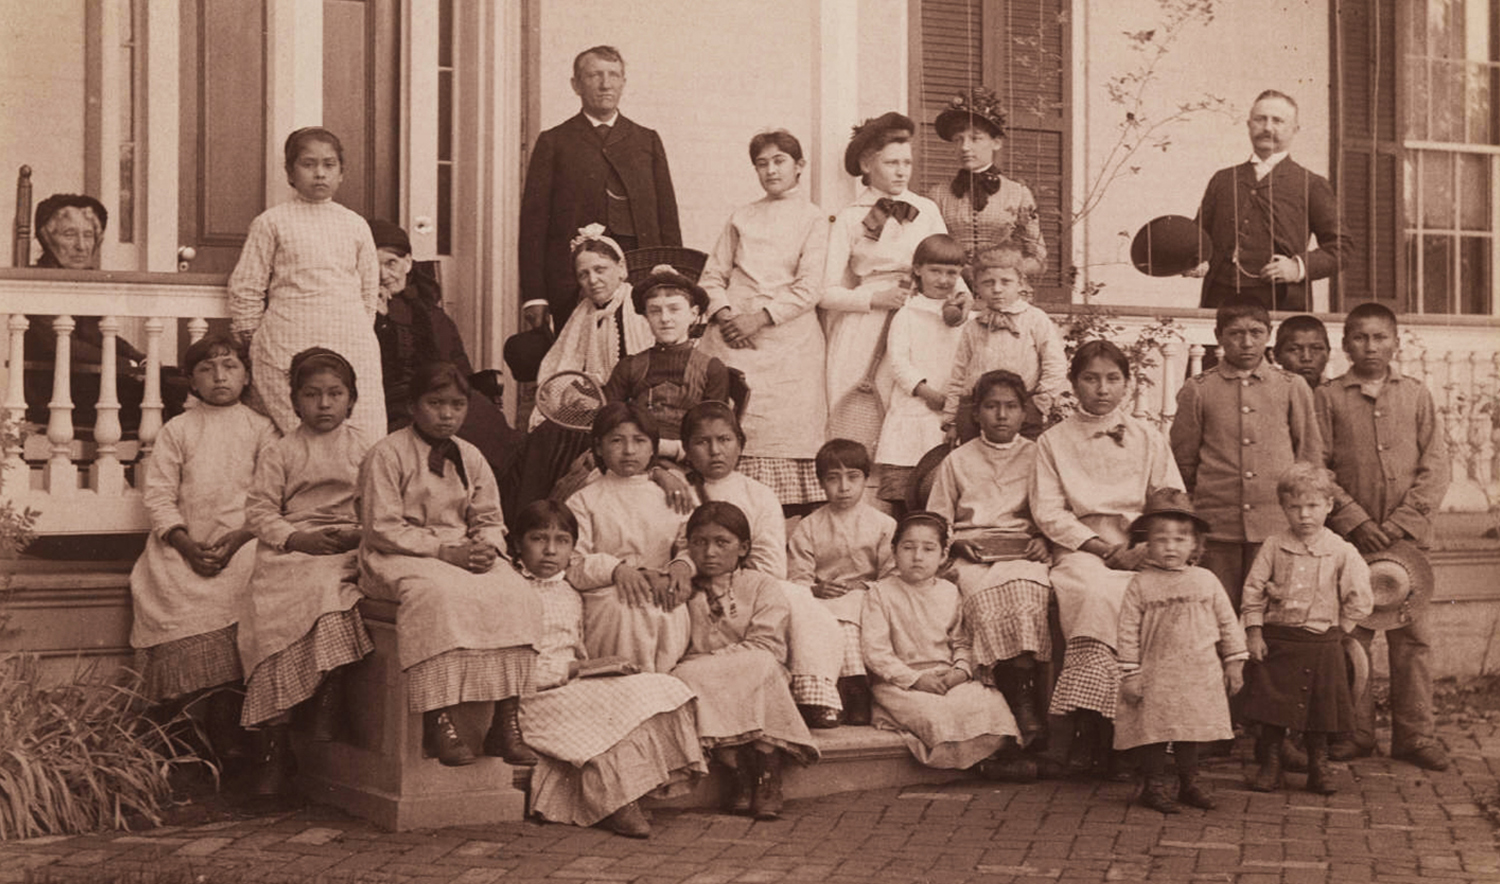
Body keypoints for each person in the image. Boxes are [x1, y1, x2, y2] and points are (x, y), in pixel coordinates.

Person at [358, 362, 543, 767]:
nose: (446, 414)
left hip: (460, 551)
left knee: (515, 590)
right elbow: (381, 527)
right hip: (398, 555)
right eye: (435, 403)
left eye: (457, 405)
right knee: (436, 594)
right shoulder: (387, 454)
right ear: (412, 406)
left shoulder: (470, 455)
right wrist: (444, 553)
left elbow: (490, 518)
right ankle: (438, 717)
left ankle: (505, 720)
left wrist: (486, 548)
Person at [1030, 340, 1185, 778]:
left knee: (1149, 596)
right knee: (1095, 594)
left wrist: (1143, 547)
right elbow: (1048, 511)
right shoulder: (1052, 441)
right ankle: (1092, 727)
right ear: (1073, 383)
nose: (1102, 389)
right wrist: (1101, 548)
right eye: (1091, 378)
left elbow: (1169, 499)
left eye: (1113, 378)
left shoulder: (1148, 438)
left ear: (1127, 383)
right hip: (1082, 549)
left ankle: (1137, 735)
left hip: (1140, 548)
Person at [511, 500, 705, 839]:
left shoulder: (569, 583)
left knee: (661, 687)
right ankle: (615, 802)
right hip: (532, 696)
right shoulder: (510, 589)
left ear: (573, 547)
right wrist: (579, 667)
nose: (550, 550)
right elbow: (513, 668)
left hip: (573, 685)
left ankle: (630, 791)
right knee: (605, 721)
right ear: (518, 544)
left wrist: (622, 571)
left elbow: (597, 566)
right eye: (538, 539)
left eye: (562, 541)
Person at [128, 335, 278, 759]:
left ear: (246, 375)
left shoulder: (260, 429)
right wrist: (186, 544)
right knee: (167, 588)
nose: (219, 377)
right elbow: (158, 496)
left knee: (246, 591)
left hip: (242, 543)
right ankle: (176, 728)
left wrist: (240, 538)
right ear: (191, 381)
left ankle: (228, 730)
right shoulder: (179, 429)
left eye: (229, 366)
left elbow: (269, 497)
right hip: (184, 546)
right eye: (207, 370)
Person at [1317, 303, 1451, 771]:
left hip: (1406, 545)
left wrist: (1399, 525)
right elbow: (1319, 467)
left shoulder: (1416, 396)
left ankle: (1415, 736)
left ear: (1396, 342)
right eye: (1359, 338)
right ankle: (1355, 733)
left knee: (1412, 639)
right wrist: (1354, 520)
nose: (1370, 347)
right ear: (1345, 344)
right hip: (1352, 541)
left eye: (1379, 338)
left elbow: (1436, 467)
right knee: (1352, 635)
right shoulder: (1329, 397)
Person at [238, 348, 374, 796]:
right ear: (295, 401)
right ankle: (275, 749)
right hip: (291, 549)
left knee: (332, 590)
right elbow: (259, 511)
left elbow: (382, 508)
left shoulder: (365, 449)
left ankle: (328, 694)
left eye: (336, 394)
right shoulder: (282, 451)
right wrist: (296, 539)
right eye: (312, 394)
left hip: (347, 546)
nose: (324, 404)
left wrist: (359, 534)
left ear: (351, 400)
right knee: (269, 615)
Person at [673, 402, 846, 727]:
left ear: (740, 444)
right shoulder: (677, 489)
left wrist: (728, 576)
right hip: (691, 581)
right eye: (702, 442)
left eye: (724, 440)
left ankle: (812, 693)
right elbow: (674, 545)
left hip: (749, 584)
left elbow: (769, 566)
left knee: (799, 601)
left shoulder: (759, 495)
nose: (714, 451)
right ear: (686, 448)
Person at [698, 130, 830, 510]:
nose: (771, 170)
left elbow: (809, 288)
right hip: (732, 335)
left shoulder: (814, 219)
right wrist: (725, 317)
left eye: (779, 161)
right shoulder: (742, 216)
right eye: (762, 163)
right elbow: (712, 275)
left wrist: (759, 319)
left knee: (782, 429)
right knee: (732, 420)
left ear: (798, 166)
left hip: (787, 341)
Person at [228, 127, 386, 440]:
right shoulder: (272, 222)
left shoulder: (355, 225)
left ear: (342, 172)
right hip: (288, 338)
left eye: (329, 165)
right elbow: (246, 287)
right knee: (300, 427)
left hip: (350, 339)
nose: (319, 174)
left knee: (361, 431)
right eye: (308, 164)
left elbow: (368, 289)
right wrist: (254, 338)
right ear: (290, 173)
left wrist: (358, 328)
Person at [1170, 295, 1323, 612]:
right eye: (1236, 333)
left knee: (1273, 614)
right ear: (1219, 337)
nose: (1246, 342)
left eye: (1256, 332)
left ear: (1269, 335)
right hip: (1217, 527)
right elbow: (1183, 462)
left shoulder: (1291, 386)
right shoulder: (1198, 389)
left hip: (1276, 525)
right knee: (1219, 612)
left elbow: (1308, 458)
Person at [669, 502, 819, 820]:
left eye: (721, 542)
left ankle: (767, 773)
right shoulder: (684, 588)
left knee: (760, 665)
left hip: (755, 665)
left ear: (743, 547)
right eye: (700, 542)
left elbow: (767, 644)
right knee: (687, 677)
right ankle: (737, 773)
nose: (709, 552)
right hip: (701, 672)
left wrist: (717, 661)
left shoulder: (761, 585)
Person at [926, 371, 1053, 743]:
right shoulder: (958, 460)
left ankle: (1024, 698)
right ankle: (1009, 701)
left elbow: (1055, 510)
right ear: (977, 413)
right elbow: (937, 518)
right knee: (976, 588)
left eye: (1011, 406)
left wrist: (1044, 538)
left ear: (1024, 412)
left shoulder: (1039, 456)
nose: (1001, 415)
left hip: (1023, 550)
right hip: (972, 550)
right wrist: (953, 544)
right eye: (991, 406)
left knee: (1027, 588)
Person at [519, 45, 681, 320]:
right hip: (573, 281)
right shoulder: (554, 142)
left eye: (613, 75)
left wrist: (672, 278)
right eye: (594, 75)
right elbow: (534, 225)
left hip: (641, 273)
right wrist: (535, 293)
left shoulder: (647, 140)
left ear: (623, 82)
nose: (606, 85)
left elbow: (667, 217)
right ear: (576, 85)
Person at [1113, 488, 1247, 814]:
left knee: (1191, 727)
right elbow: (1127, 630)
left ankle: (1190, 782)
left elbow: (1228, 624)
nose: (1170, 547)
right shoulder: (1141, 583)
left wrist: (1234, 664)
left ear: (1195, 545)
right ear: (1147, 543)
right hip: (1156, 671)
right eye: (1161, 539)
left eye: (1180, 539)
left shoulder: (1206, 581)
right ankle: (1154, 784)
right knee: (1156, 729)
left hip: (1199, 671)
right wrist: (1130, 673)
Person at [1240, 463, 1372, 795]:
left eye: (1312, 506)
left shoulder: (1341, 550)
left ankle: (1318, 765)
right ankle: (1271, 763)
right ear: (1284, 507)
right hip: (1279, 639)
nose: (1304, 515)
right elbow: (1253, 590)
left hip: (1321, 640)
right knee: (1273, 706)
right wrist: (1254, 632)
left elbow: (1360, 595)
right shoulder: (1273, 546)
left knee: (1320, 709)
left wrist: (1341, 629)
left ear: (1328, 505)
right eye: (1294, 507)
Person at [368, 218, 525, 493]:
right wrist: (378, 322)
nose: (383, 275)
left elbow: (459, 369)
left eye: (391, 263)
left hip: (447, 396)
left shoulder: (431, 314)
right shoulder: (359, 315)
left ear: (408, 262)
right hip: (393, 406)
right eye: (373, 265)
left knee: (486, 429)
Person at [861, 511, 1020, 771]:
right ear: (894, 550)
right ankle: (979, 765)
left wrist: (960, 671)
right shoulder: (880, 593)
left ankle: (997, 758)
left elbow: (962, 641)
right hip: (901, 684)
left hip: (946, 677)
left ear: (943, 555)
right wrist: (915, 679)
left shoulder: (949, 592)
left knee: (986, 702)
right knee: (935, 715)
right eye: (908, 547)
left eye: (928, 548)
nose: (917, 556)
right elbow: (876, 652)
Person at [24, 193, 188, 432]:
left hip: (90, 381)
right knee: (163, 393)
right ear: (47, 239)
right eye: (69, 234)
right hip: (55, 389)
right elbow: (59, 343)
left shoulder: (86, 280)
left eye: (88, 235)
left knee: (173, 380)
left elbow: (98, 336)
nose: (81, 246)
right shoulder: (37, 283)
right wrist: (126, 363)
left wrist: (140, 357)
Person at [822, 112, 949, 420]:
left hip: (920, 318)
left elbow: (947, 262)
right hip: (865, 329)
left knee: (916, 408)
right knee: (864, 417)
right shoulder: (850, 218)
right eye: (892, 163)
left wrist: (962, 295)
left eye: (906, 163)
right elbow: (825, 293)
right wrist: (873, 298)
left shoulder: (926, 210)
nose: (902, 172)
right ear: (867, 165)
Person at [516, 225, 652, 508]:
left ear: (621, 269)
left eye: (601, 269)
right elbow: (562, 368)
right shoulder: (586, 313)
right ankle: (529, 520)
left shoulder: (638, 310)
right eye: (584, 274)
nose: (593, 280)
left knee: (563, 444)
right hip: (592, 407)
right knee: (544, 436)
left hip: (629, 408)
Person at [1189, 90, 1349, 311]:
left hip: (1280, 301)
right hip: (1220, 300)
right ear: (1249, 125)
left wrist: (1297, 267)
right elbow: (1198, 236)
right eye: (1260, 119)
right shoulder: (1223, 179)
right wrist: (1195, 259)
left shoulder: (1310, 184)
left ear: (1295, 130)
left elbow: (1341, 248)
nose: (1267, 128)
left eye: (1278, 121)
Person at [565, 403, 693, 674]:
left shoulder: (672, 496)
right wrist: (615, 569)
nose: (629, 451)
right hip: (611, 599)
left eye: (639, 441)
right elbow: (573, 563)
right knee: (623, 606)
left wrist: (682, 565)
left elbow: (689, 541)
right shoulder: (584, 499)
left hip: (663, 590)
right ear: (599, 448)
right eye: (617, 441)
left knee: (669, 605)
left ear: (653, 448)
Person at [786, 439, 896, 725]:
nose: (844, 487)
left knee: (849, 615)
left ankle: (856, 689)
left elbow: (891, 574)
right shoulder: (809, 525)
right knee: (816, 619)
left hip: (869, 597)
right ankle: (823, 696)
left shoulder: (883, 524)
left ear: (866, 479)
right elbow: (798, 576)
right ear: (821, 484)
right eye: (833, 479)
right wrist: (815, 589)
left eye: (853, 477)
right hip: (823, 599)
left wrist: (867, 588)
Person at [874, 234, 969, 510]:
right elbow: (898, 362)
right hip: (913, 407)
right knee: (904, 495)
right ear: (918, 270)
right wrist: (925, 391)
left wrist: (952, 401)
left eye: (951, 272)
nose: (943, 279)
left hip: (948, 416)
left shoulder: (964, 318)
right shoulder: (907, 313)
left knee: (942, 490)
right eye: (935, 271)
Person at [601, 265, 730, 458]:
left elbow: (714, 430)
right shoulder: (630, 366)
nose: (665, 319)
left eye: (674, 309)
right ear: (645, 317)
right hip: (632, 457)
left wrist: (671, 450)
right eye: (655, 311)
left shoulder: (711, 368)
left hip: (691, 459)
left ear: (693, 314)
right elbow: (608, 422)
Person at [941, 244, 1067, 443]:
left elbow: (1056, 364)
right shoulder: (973, 326)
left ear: (1020, 282)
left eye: (1005, 282)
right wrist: (952, 421)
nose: (997, 289)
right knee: (975, 465)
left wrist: (1041, 401)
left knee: (1023, 464)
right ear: (977, 287)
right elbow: (959, 375)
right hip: (976, 411)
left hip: (1021, 409)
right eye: (988, 283)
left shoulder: (1035, 319)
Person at [928, 86, 1046, 265]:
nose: (965, 147)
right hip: (953, 285)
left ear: (996, 143)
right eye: (958, 139)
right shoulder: (938, 195)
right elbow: (929, 252)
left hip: (1003, 286)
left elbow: (1038, 257)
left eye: (975, 139)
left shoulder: (1018, 193)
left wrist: (1004, 270)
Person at [1273, 314, 1333, 389]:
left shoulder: (1337, 394)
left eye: (1316, 348)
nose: (1306, 358)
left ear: (1328, 353)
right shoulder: (1264, 395)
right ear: (1276, 355)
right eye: (1295, 349)